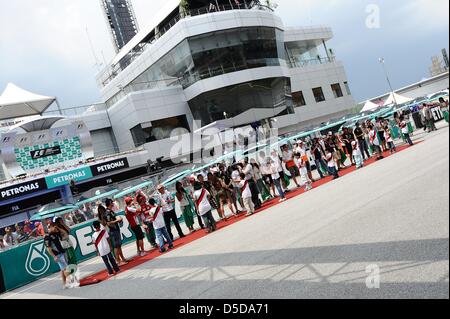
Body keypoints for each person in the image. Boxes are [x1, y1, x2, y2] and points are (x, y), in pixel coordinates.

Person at [44, 223, 71, 289]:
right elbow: (48, 248)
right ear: (50, 227)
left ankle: (64, 284)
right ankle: (71, 281)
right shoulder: (47, 237)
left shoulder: (56, 232)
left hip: (63, 252)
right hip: (57, 254)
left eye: (56, 227)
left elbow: (65, 233)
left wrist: (58, 228)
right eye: (54, 227)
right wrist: (54, 256)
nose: (56, 228)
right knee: (65, 268)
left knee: (62, 269)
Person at [104, 198, 129, 266]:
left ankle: (122, 258)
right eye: (112, 202)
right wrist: (117, 220)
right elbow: (108, 223)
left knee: (118, 245)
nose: (113, 203)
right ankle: (118, 261)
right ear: (109, 203)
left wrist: (118, 220)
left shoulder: (111, 211)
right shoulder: (107, 212)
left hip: (116, 229)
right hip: (113, 231)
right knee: (116, 246)